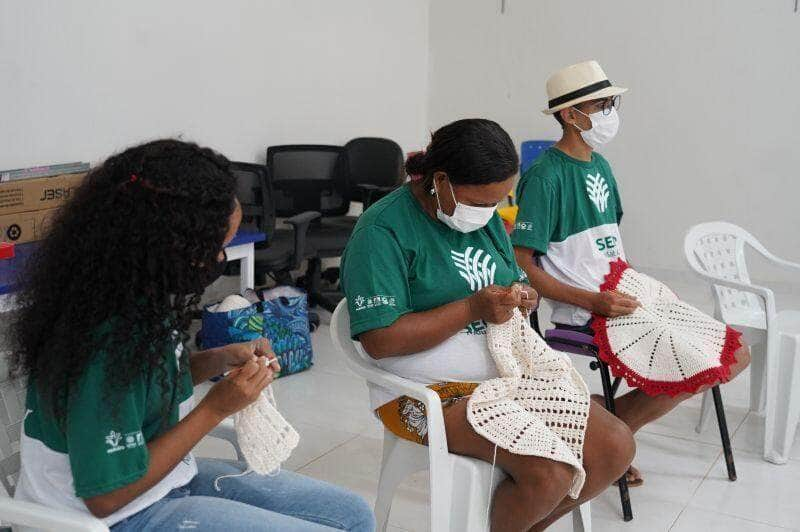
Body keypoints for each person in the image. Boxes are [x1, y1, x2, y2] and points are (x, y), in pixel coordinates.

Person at [10, 139, 375, 532]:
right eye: (213, 246)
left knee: (353, 515)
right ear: (164, 242)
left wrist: (218, 359)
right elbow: (106, 497)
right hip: (110, 516)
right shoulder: (102, 340)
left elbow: (144, 387)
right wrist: (215, 408)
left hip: (162, 484)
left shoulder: (135, 295)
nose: (220, 259)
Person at [341, 119, 635, 531]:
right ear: (439, 180)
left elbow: (511, 275)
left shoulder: (483, 218)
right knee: (549, 471)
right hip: (418, 397)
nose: (489, 213)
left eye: (497, 202)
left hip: (504, 377)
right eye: (480, 201)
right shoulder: (382, 230)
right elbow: (380, 341)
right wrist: (471, 309)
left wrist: (522, 294)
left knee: (616, 447)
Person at [510, 60, 751, 486]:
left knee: (735, 354)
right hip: (587, 308)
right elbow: (524, 264)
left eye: (610, 103)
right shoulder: (545, 178)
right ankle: (611, 438)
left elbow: (609, 246)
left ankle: (604, 425)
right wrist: (593, 301)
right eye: (600, 104)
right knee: (699, 359)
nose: (609, 112)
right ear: (570, 114)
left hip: (625, 293)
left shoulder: (600, 166)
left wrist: (645, 286)